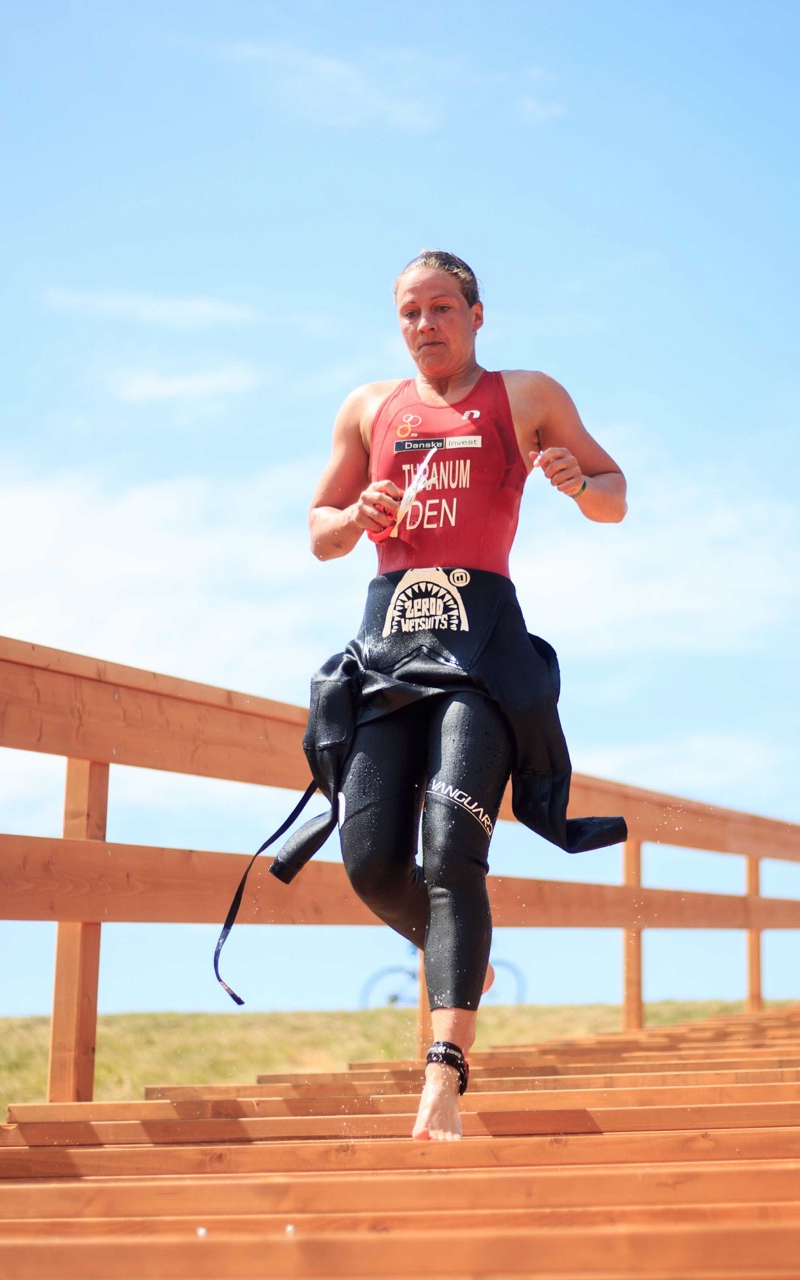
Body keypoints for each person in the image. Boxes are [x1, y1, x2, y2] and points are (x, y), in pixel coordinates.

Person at [270, 251, 628, 1141]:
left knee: (449, 854)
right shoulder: (368, 408)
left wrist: (579, 485)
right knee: (368, 862)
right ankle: (463, 954)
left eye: (440, 308)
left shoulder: (526, 395)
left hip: (481, 650)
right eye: (409, 312)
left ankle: (442, 1077)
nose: (424, 325)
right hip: (390, 648)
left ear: (475, 314)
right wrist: (356, 516)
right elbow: (319, 532)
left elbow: (615, 494)